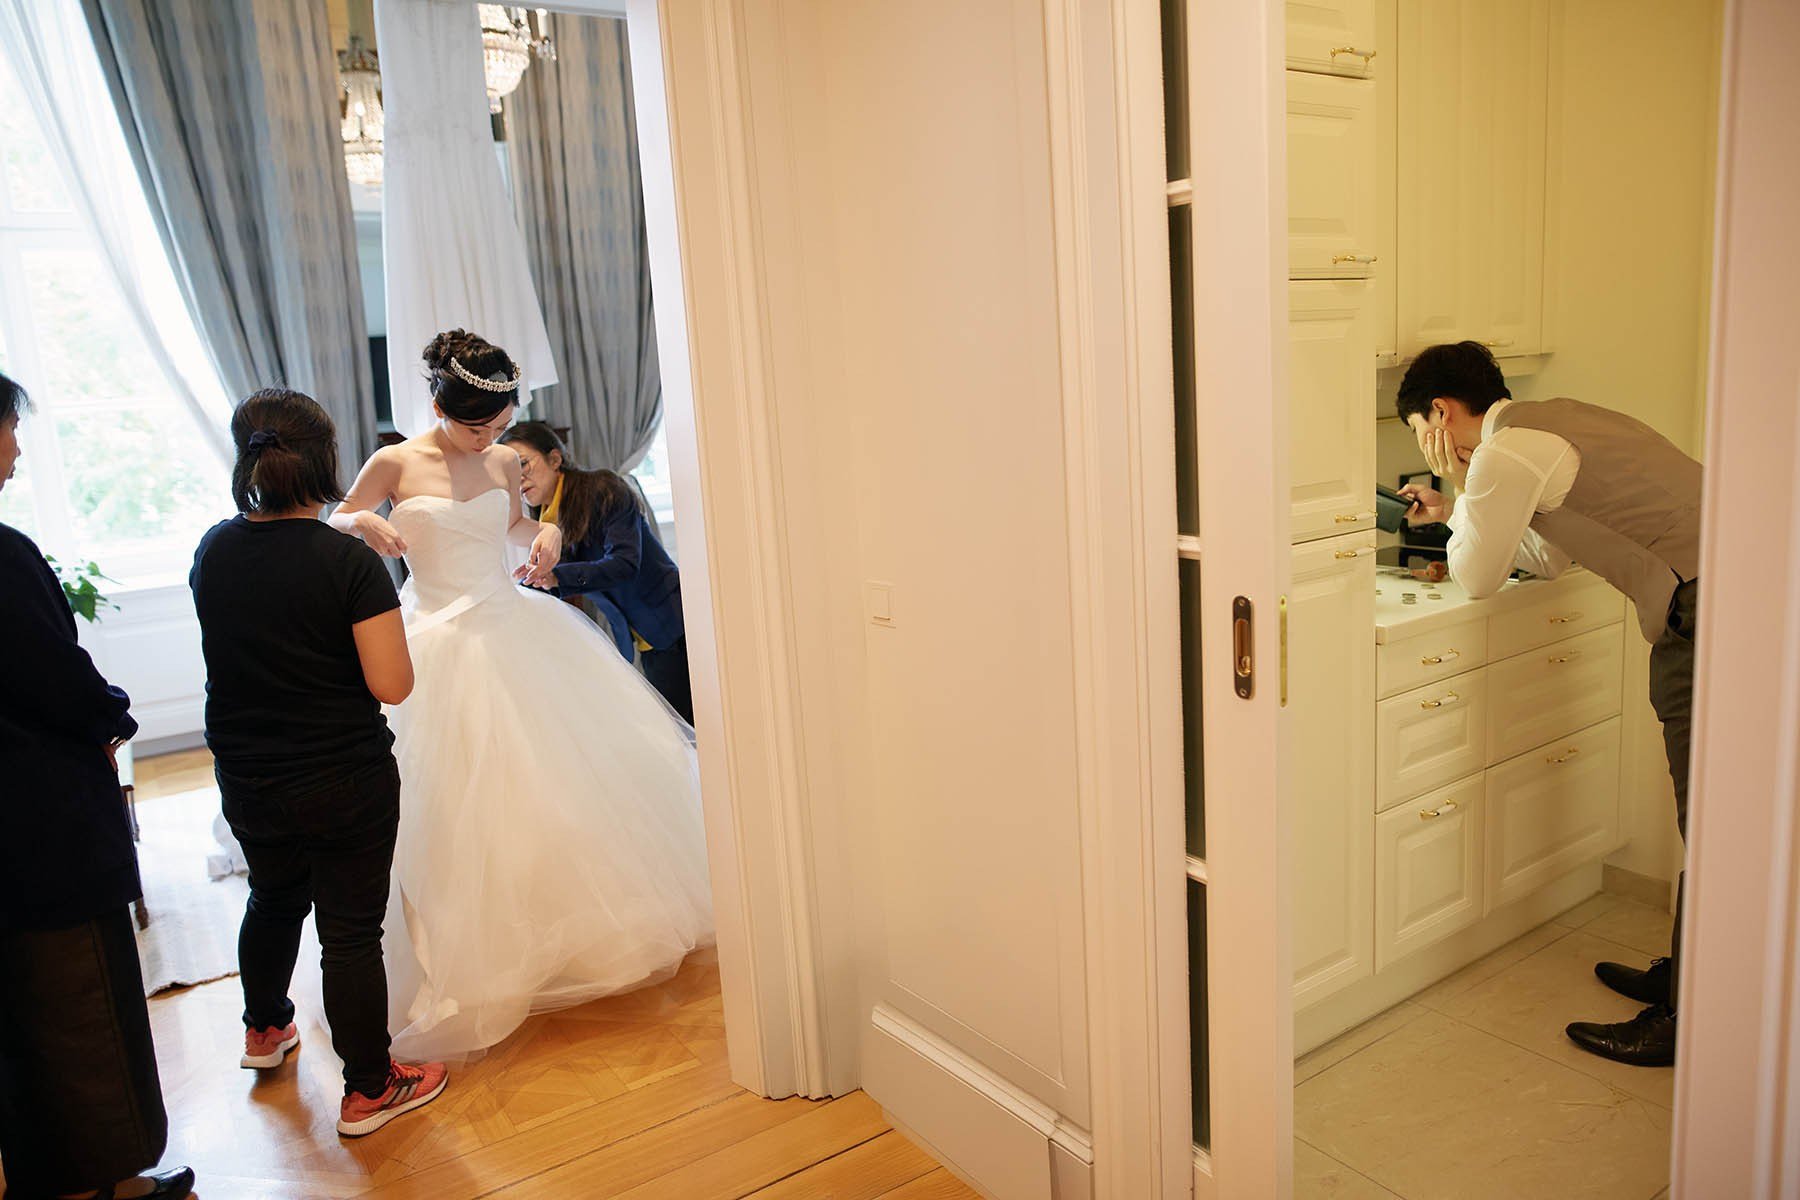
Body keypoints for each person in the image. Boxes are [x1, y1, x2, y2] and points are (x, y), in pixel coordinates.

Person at [327, 329, 713, 1060]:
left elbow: (510, 527)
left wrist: (548, 537)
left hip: (511, 626)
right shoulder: (394, 462)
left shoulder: (504, 461)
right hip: (433, 638)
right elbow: (335, 519)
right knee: (452, 804)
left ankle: (575, 945)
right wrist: (365, 520)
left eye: (501, 429)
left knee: (556, 789)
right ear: (439, 405)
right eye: (477, 427)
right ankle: (476, 961)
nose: (490, 442)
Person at [1397, 340, 1701, 1067]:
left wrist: (1457, 482)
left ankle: (1688, 1016)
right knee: (1712, 810)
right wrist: (1457, 508)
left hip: (1708, 611)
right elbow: (1548, 553)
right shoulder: (1550, 423)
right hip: (1726, 591)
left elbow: (1476, 577)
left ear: (1439, 413)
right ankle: (1693, 972)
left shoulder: (1502, 454)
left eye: (1419, 430)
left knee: (1712, 816)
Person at [190, 388, 448, 1137]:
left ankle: (266, 1031)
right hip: (343, 776)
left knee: (272, 899)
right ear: (326, 459)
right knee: (348, 932)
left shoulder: (214, 548)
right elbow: (391, 685)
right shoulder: (348, 563)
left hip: (247, 773)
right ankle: (370, 1087)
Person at [0, 371, 195, 1200]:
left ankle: (49, 1175)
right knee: (78, 1005)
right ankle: (102, 1183)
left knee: (23, 1018)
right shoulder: (4, 555)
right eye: (9, 429)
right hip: (37, 823)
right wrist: (112, 711)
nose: (14, 448)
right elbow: (56, 680)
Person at [498, 421, 694, 722]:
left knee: (690, 731)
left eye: (523, 463)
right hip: (638, 635)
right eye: (510, 473)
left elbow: (624, 564)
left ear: (554, 459)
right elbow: (554, 579)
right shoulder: (543, 521)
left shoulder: (603, 488)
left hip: (674, 623)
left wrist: (555, 577)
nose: (519, 477)